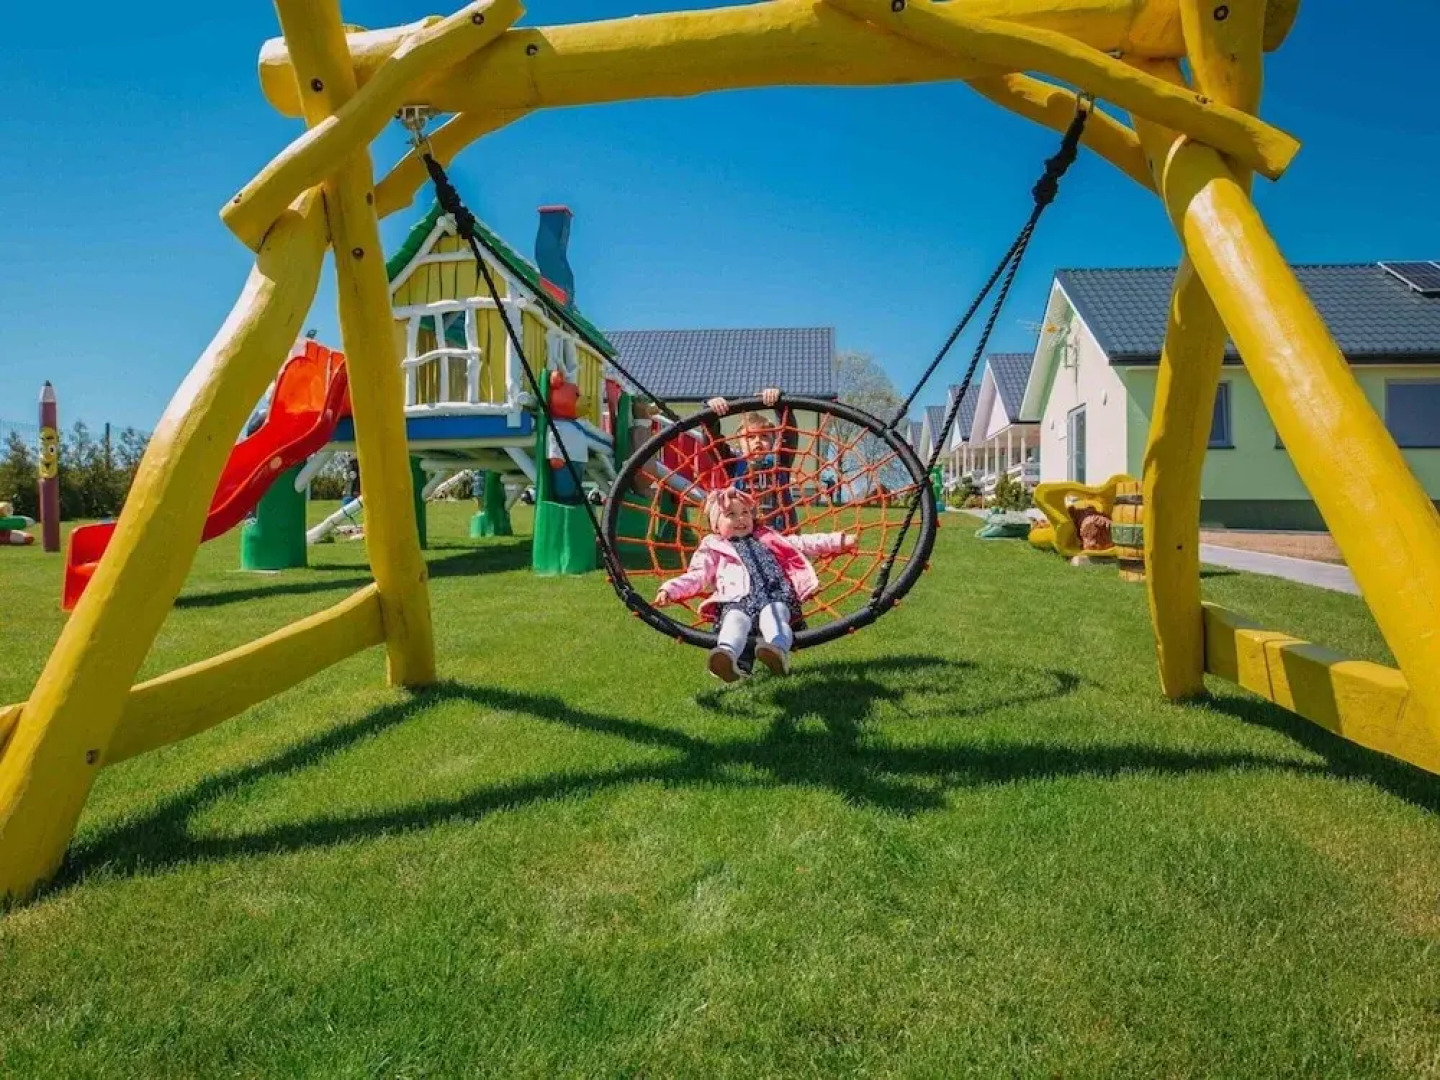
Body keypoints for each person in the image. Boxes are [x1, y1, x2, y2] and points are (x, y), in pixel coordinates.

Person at [654, 487, 853, 683]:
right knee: (734, 621)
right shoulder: (713, 547)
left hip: (775, 593)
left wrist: (840, 540)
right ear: (716, 525)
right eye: (731, 514)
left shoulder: (767, 537)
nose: (740, 519)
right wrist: (670, 589)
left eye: (745, 513)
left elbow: (803, 543)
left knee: (773, 617)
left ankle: (777, 651)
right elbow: (698, 575)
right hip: (736, 600)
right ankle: (726, 657)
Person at [703, 388, 799, 530]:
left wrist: (779, 404)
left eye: (764, 436)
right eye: (750, 437)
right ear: (738, 443)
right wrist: (711, 414)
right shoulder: (733, 463)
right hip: (744, 532)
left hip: (781, 534)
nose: (757, 441)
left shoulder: (780, 461)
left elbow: (789, 433)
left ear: (774, 441)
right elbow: (713, 443)